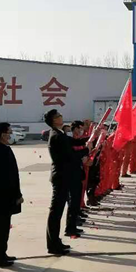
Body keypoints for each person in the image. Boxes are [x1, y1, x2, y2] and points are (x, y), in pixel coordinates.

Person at [45, 109, 92, 255]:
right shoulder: (56, 136)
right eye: (58, 116)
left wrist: (92, 138)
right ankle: (53, 244)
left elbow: (75, 142)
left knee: (57, 211)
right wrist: (86, 150)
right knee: (56, 212)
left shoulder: (60, 134)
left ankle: (55, 241)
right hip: (61, 177)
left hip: (65, 176)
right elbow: (71, 155)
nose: (61, 117)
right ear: (54, 120)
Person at [0, 123, 23, 267]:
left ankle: (2, 253)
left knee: (4, 227)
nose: (10, 135)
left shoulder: (3, 148)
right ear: (3, 134)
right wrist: (16, 195)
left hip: (5, 196)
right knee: (1, 228)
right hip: (1, 197)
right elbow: (6, 177)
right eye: (9, 132)